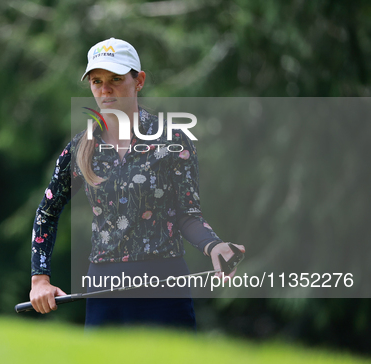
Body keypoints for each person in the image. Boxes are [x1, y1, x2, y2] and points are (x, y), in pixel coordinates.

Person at [29, 37, 245, 328]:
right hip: (104, 287)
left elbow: (188, 215)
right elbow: (47, 212)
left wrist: (214, 246)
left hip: (165, 285)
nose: (105, 90)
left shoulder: (174, 140)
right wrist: (40, 280)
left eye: (116, 79)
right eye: (96, 81)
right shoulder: (79, 148)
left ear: (139, 80)